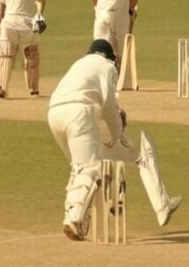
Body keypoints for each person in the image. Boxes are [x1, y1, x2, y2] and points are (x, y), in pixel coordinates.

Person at [48, 39, 181, 241]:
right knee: (89, 169)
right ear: (110, 56)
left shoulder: (80, 65)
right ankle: (74, 219)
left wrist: (113, 129)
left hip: (54, 114)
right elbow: (109, 104)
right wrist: (118, 132)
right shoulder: (107, 66)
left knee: (80, 168)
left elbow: (101, 105)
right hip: (78, 113)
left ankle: (82, 218)